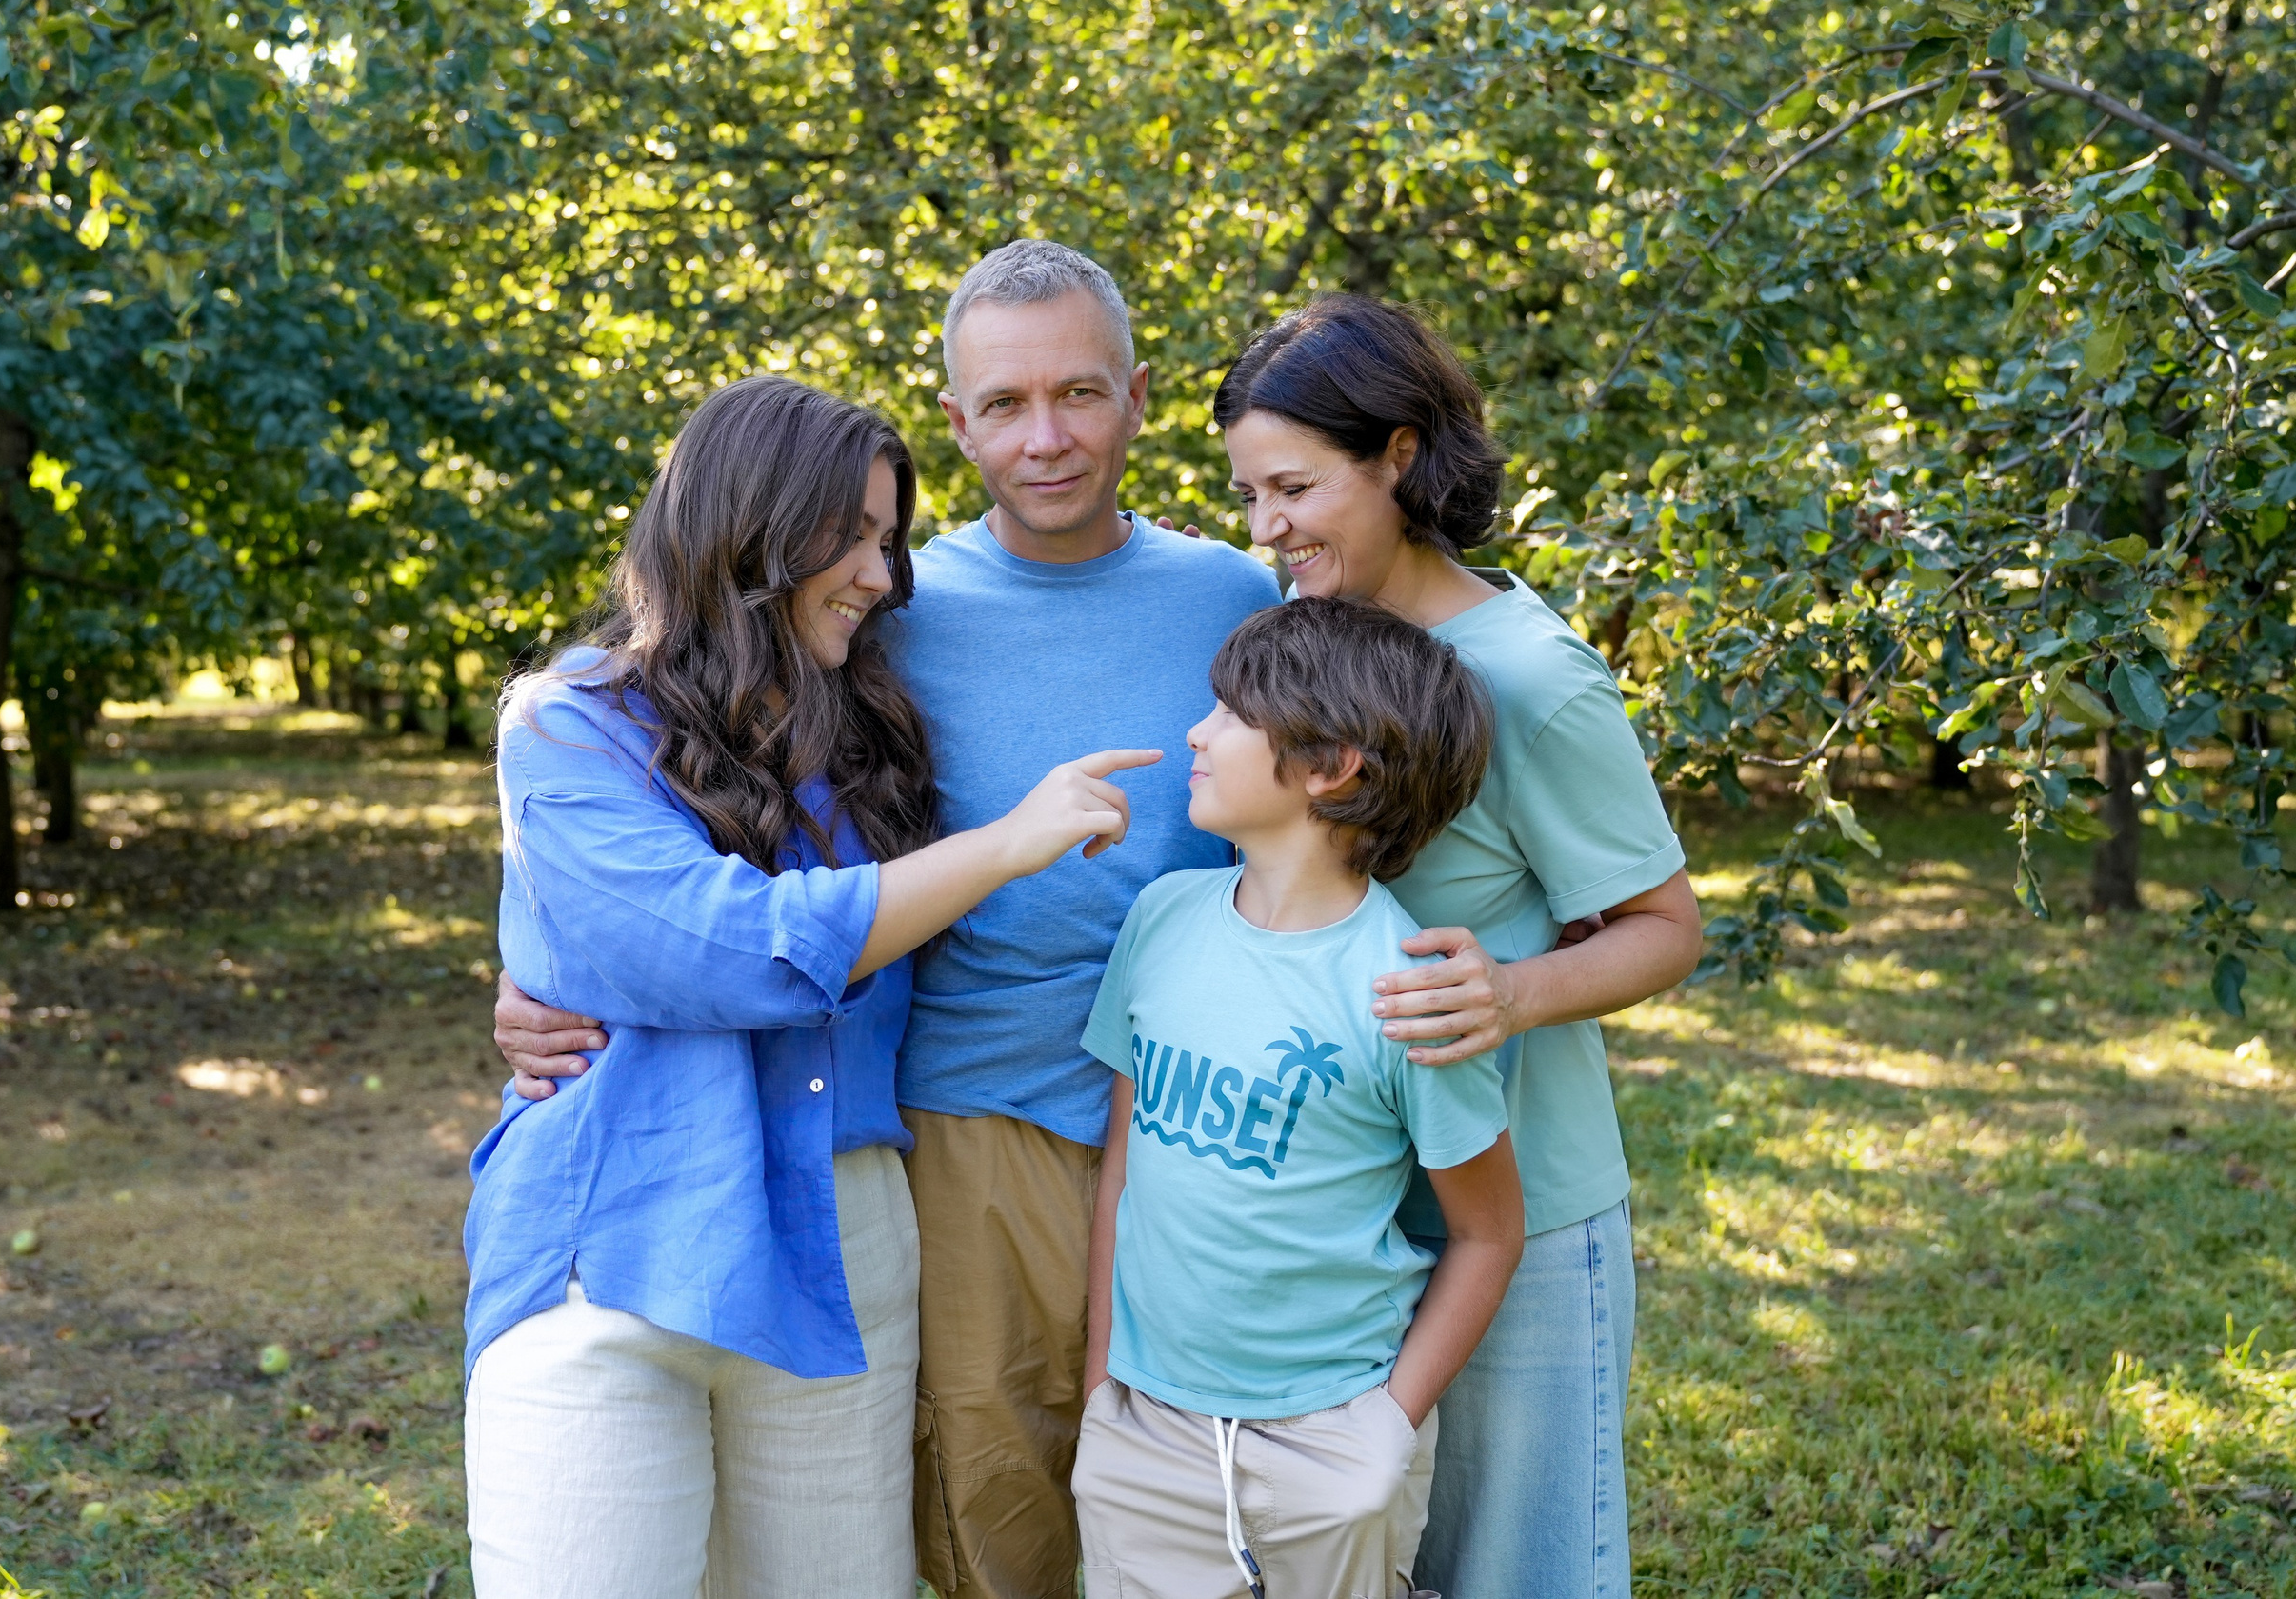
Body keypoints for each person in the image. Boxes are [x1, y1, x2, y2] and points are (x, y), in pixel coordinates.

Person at [490, 244, 1531, 1599]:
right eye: (1003, 405)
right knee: (1007, 1507)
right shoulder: (884, 622)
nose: (1046, 438)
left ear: (1140, 396)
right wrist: (536, 978)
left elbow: (1373, 741)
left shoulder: (1238, 591)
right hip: (970, 1124)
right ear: (958, 416)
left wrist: (1500, 965)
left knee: (1257, 1510)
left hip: (1230, 1126)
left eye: (1080, 394)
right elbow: (704, 806)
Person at [461, 374, 1163, 1598]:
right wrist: (1005, 842)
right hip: (618, 1248)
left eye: (891, 541)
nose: (883, 575)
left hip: (849, 1254)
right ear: (752, 531)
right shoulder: (571, 725)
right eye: (854, 538)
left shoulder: (870, 736)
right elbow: (720, 946)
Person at [1214, 293, 1706, 1599]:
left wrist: (1512, 988)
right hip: (1336, 1217)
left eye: (1295, 487)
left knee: (1511, 1570)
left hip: (1516, 1218)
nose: (1268, 529)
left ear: (1400, 454)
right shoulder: (1315, 650)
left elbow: (1666, 927)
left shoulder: (1532, 678)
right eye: (1249, 494)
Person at [1074, 597, 1527, 1599]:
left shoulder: (1407, 992)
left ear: (1330, 767)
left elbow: (1488, 1233)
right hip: (1146, 1434)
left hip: (1333, 1441)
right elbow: (1125, 1170)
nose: (1197, 731)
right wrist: (1102, 1390)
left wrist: (1381, 1435)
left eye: (1232, 714)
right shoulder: (1161, 921)